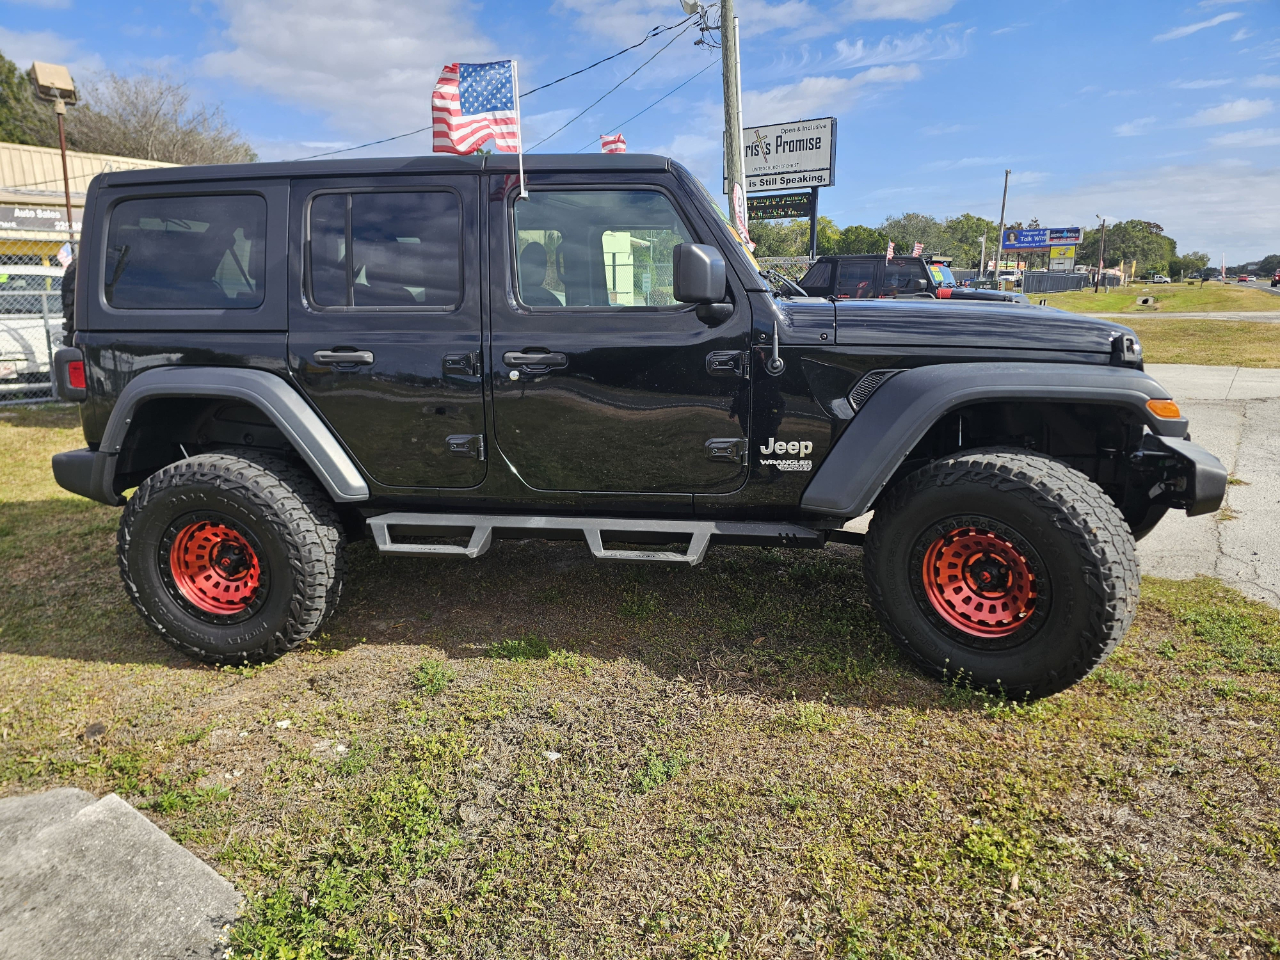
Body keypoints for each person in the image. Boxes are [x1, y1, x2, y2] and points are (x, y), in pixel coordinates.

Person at [518, 242, 563, 307]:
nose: (543, 270)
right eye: (540, 266)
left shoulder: (511, 298)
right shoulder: (552, 301)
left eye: (543, 265)